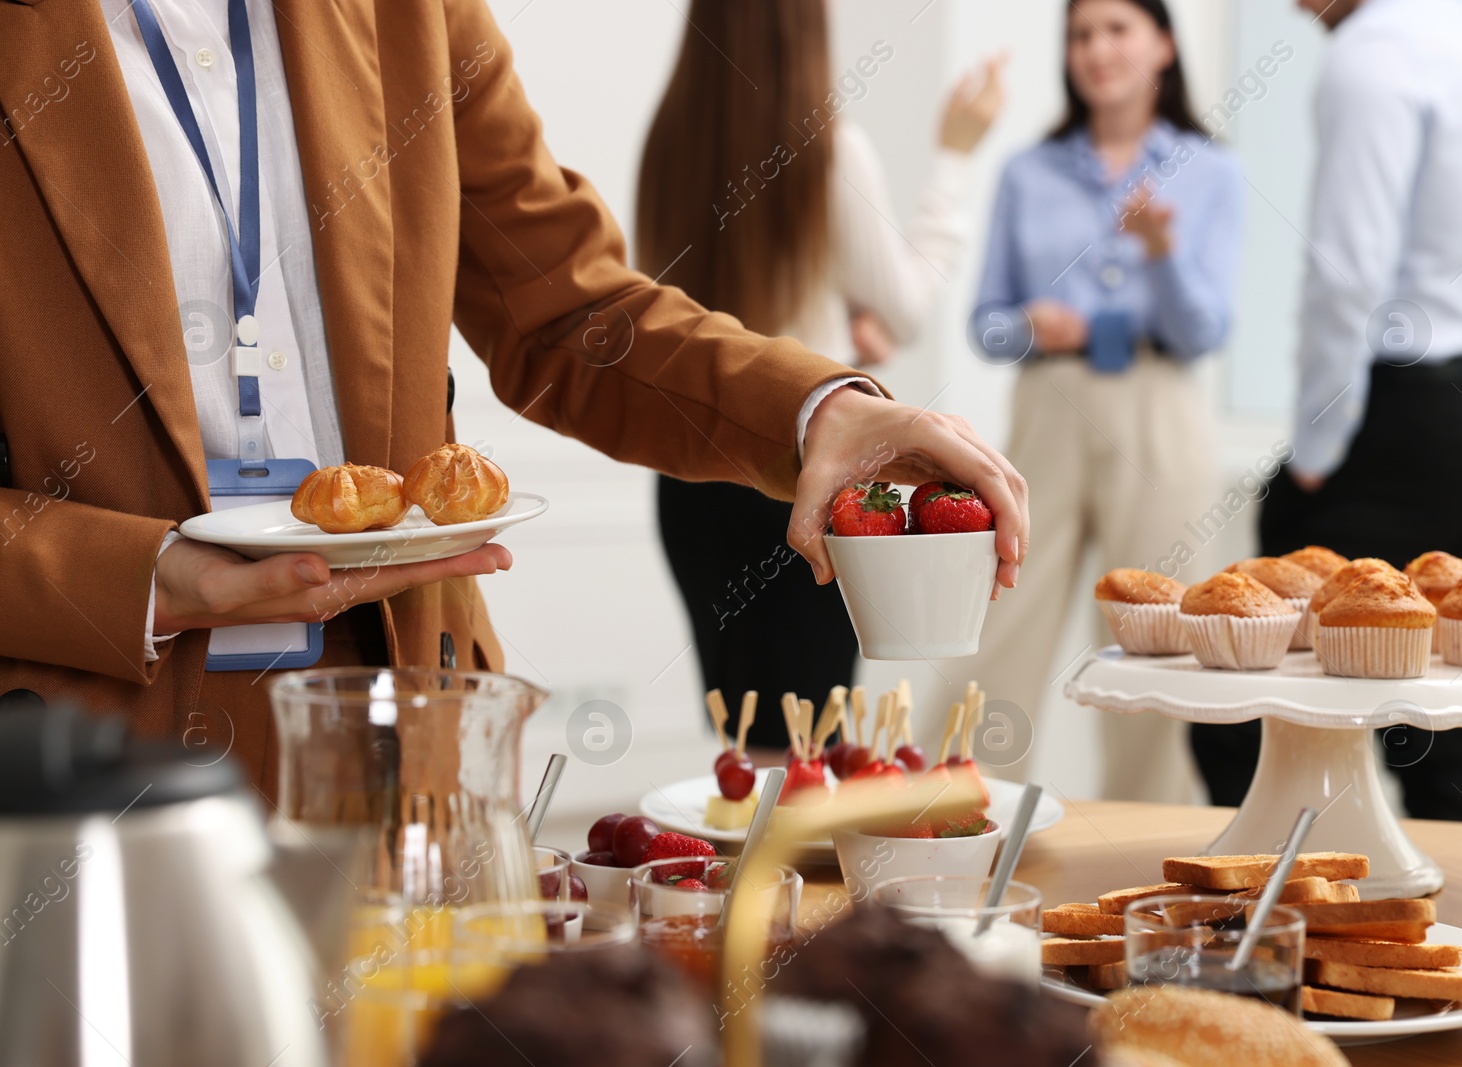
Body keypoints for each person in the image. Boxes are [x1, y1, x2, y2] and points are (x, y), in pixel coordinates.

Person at [0, 0, 1028, 793]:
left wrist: (818, 410)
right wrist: (139, 578)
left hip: (415, 734)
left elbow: (570, 311)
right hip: (84, 759)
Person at [1190, 0, 1462, 821]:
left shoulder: (1372, 54)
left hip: (1399, 421)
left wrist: (1316, 446)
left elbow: (1348, 274)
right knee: (1434, 717)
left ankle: (1267, 923)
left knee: (1248, 703)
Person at [636, 0, 1006, 751]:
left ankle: (748, 869)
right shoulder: (828, 152)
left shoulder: (668, 144)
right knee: (806, 741)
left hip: (692, 481)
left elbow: (714, 322)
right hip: (794, 476)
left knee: (744, 736)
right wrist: (956, 157)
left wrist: (837, 330)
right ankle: (791, 873)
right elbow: (905, 309)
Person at [961, 0, 1242, 798]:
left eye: (1117, 29)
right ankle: (956, 821)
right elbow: (984, 323)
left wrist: (1161, 253)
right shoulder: (1028, 170)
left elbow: (1203, 329)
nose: (1097, 49)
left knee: (1158, 643)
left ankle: (1146, 857)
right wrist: (1024, 325)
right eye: (1081, 34)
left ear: (1161, 44)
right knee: (998, 624)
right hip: (1047, 405)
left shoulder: (1212, 169)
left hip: (1158, 407)